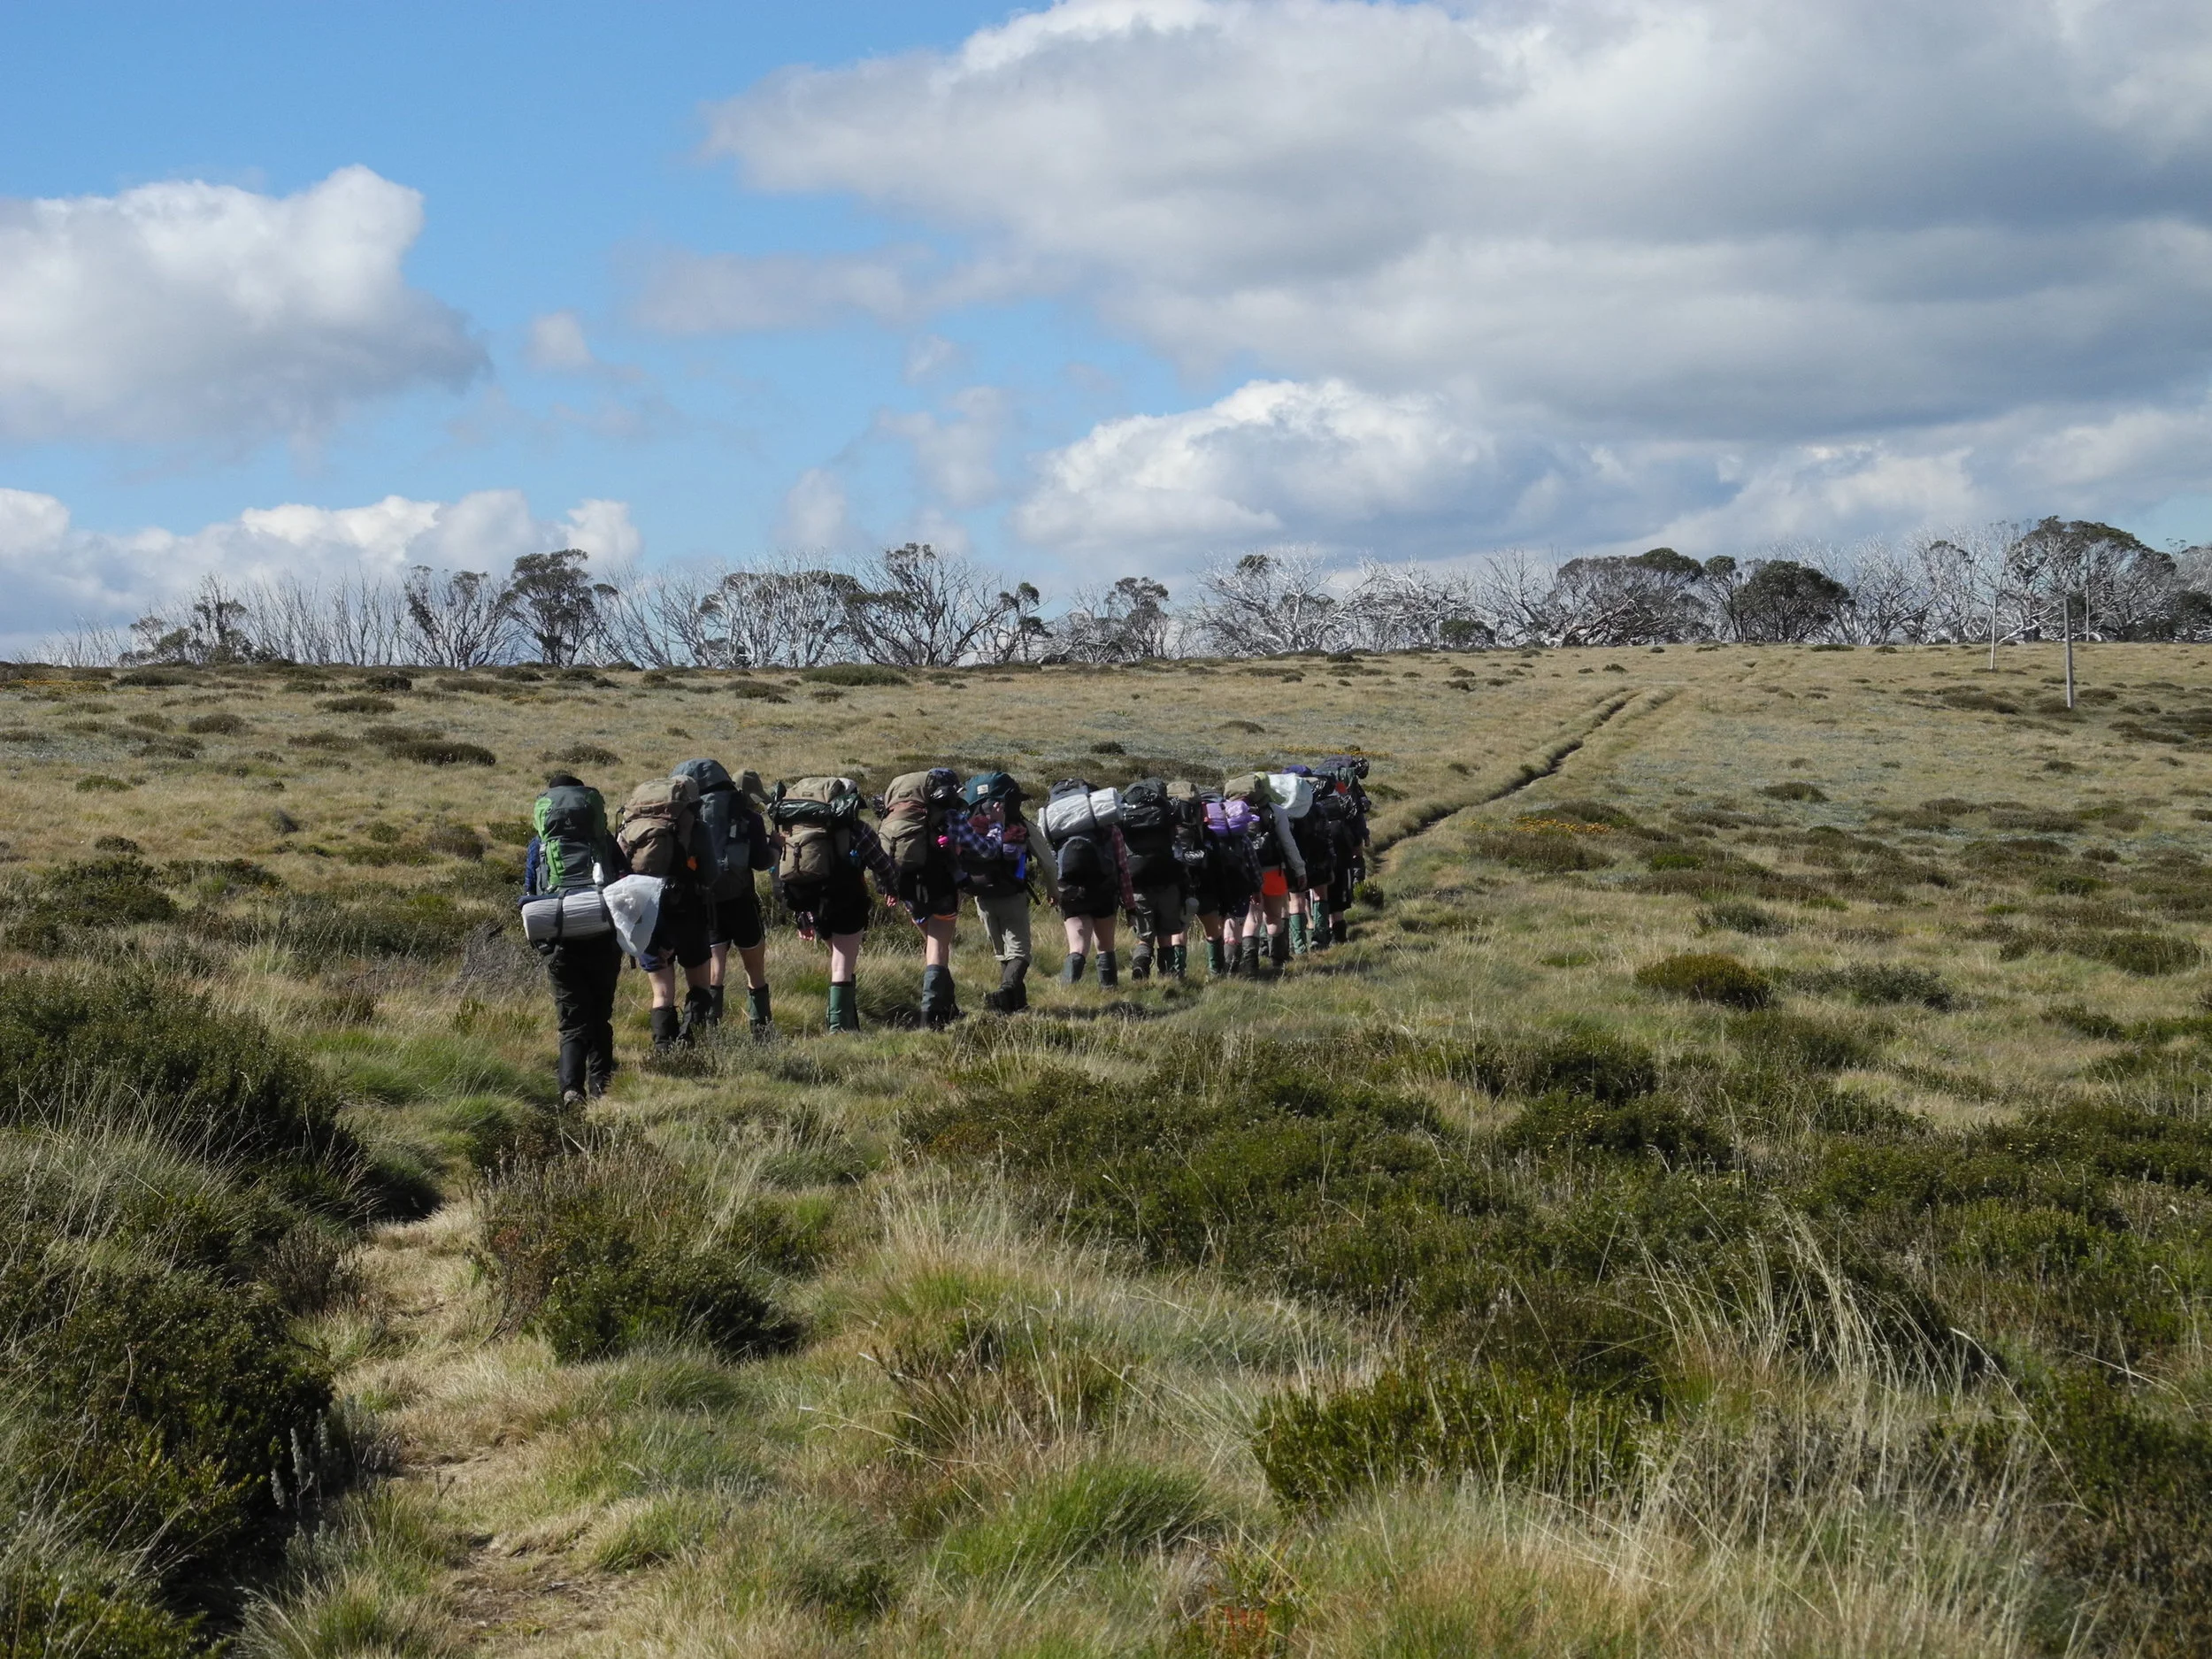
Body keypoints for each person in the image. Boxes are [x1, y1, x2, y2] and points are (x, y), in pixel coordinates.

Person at [767, 776, 909, 1033]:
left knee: (838, 960)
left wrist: (801, 914)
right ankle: (839, 1029)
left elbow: (779, 869)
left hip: (807, 902)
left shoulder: (791, 828)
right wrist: (891, 887)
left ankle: (847, 1022)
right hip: (845, 899)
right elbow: (883, 866)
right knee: (842, 965)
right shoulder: (856, 829)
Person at [522, 772, 624, 1107]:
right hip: (603, 935)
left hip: (560, 941)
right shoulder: (603, 841)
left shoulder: (540, 844)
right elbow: (624, 882)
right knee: (600, 1015)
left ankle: (570, 1090)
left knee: (571, 1020)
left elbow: (529, 892)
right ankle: (602, 1087)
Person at [615, 772, 718, 1050]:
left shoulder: (632, 824)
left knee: (661, 992)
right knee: (699, 986)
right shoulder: (696, 828)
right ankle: (689, 1045)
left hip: (644, 912)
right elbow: (710, 875)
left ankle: (663, 1050)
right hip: (688, 913)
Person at [673, 759, 775, 1034]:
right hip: (741, 900)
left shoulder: (687, 819)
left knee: (714, 972)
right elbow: (760, 861)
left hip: (706, 904)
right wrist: (775, 847)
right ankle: (761, 1032)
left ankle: (710, 1030)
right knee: (755, 971)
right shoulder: (746, 815)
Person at [954, 771, 1056, 1014]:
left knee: (1002, 954)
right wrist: (1055, 891)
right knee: (1020, 953)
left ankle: (1014, 1007)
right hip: (1013, 894)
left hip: (982, 897)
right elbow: (1049, 864)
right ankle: (1006, 990)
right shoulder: (1021, 825)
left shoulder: (966, 825)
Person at [879, 766, 973, 1028]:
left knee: (933, 945)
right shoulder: (949, 814)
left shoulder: (897, 814)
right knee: (938, 947)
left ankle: (949, 1007)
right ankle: (930, 1016)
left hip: (907, 886)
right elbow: (977, 847)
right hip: (940, 884)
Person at [1041, 779, 1138, 986]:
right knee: (1105, 946)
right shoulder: (1111, 830)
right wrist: (1130, 906)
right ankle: (1109, 991)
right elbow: (1123, 869)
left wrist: (1053, 891)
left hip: (1070, 890)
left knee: (1077, 947)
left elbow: (1052, 863)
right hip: (1104, 889)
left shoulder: (1060, 829)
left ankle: (1067, 991)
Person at [1229, 772, 1305, 974]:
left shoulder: (1231, 811)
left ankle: (1250, 965)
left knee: (1251, 919)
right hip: (1273, 872)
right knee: (1274, 917)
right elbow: (1288, 843)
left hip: (1245, 873)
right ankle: (1277, 962)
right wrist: (1299, 869)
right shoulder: (1275, 811)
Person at [1120, 777, 1193, 981]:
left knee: (1144, 936)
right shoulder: (1167, 812)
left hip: (1137, 882)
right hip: (1167, 880)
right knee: (1166, 934)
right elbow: (1177, 847)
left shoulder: (1126, 813)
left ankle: (1140, 967)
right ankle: (1167, 976)